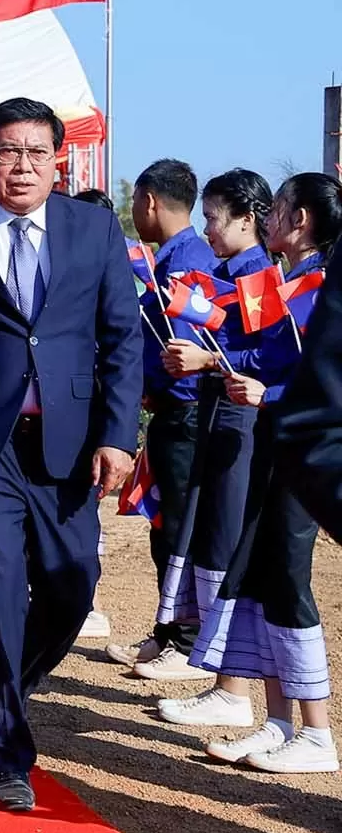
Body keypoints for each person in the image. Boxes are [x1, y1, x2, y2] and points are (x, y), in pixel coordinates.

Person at [0, 97, 139, 813]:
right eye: (7, 152)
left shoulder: (92, 227)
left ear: (58, 161)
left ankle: (5, 687)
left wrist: (118, 434)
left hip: (68, 442)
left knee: (72, 584)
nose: (22, 166)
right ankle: (5, 754)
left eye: (36, 153)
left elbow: (122, 337)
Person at [169, 173, 338, 774]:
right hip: (273, 441)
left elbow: (315, 379)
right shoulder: (286, 279)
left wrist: (264, 391)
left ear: (301, 221)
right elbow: (254, 346)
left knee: (286, 578)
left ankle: (317, 733)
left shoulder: (320, 287)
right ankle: (277, 721)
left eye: (281, 207)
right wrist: (209, 334)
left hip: (300, 449)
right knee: (259, 575)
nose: (270, 217)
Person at [149, 169, 274, 702]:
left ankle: (230, 686)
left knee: (226, 543)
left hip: (238, 424)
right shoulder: (232, 270)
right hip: (219, 417)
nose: (209, 230)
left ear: (247, 219)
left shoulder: (258, 274)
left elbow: (271, 354)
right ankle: (220, 676)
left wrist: (207, 360)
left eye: (215, 218)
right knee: (209, 541)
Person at [108, 159, 221, 674]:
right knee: (164, 525)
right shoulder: (167, 259)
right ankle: (167, 629)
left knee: (181, 528)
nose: (134, 210)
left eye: (135, 201)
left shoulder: (189, 264)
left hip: (190, 411)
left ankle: (185, 639)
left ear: (150, 201)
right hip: (169, 411)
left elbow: (191, 344)